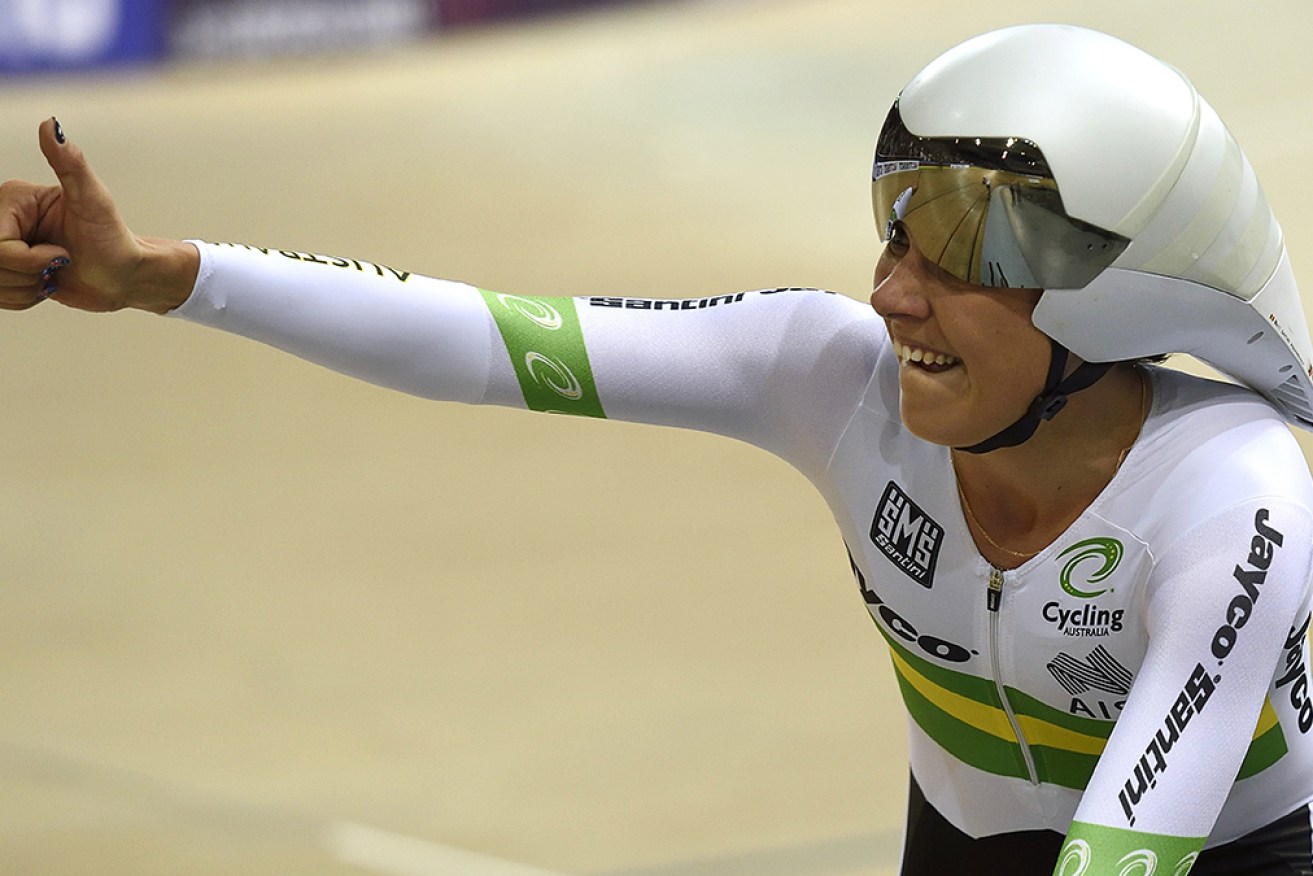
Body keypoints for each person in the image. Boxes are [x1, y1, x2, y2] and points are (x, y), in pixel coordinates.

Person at [2, 22, 1311, 876]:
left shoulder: (1229, 497)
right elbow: (474, 340)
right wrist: (164, 276)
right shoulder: (816, 373)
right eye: (894, 233)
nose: (889, 295)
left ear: (1111, 306)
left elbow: (1132, 846)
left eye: (958, 260)